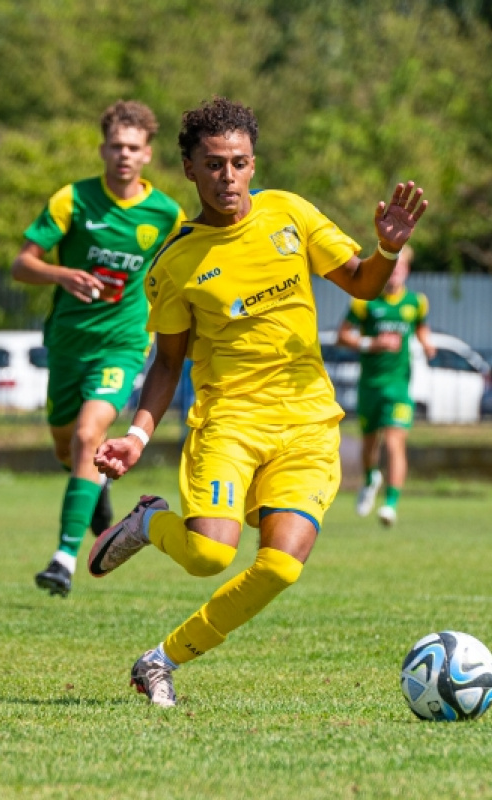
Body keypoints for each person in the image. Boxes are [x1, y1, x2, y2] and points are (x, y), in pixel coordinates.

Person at [89, 96, 428, 707]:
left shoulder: (289, 214)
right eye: (214, 164)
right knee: (208, 555)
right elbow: (168, 362)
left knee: (280, 567)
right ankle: (149, 521)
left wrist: (385, 250)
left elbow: (361, 282)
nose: (228, 178)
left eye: (240, 163)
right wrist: (137, 436)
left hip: (308, 424)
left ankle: (158, 661)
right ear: (189, 167)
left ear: (254, 163)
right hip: (229, 422)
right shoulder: (176, 262)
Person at [12, 100, 185, 597]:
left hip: (123, 344)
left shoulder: (166, 214)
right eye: (115, 147)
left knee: (90, 437)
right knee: (68, 447)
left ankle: (64, 557)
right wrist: (60, 274)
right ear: (103, 148)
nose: (123, 156)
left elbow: (182, 270)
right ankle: (98, 488)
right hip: (68, 344)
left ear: (148, 154)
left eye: (133, 148)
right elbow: (22, 265)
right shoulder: (73, 200)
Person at [337, 246, 435, 526]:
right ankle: (370, 478)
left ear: (407, 271)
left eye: (401, 268)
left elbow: (421, 329)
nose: (395, 273)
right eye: (391, 268)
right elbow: (343, 336)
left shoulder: (416, 302)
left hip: (399, 388)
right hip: (369, 386)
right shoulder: (365, 301)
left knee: (394, 443)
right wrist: (372, 343)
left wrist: (427, 344)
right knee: (370, 445)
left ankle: (390, 504)